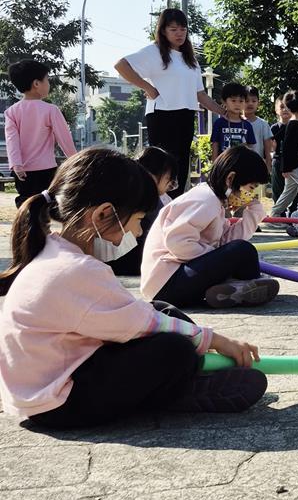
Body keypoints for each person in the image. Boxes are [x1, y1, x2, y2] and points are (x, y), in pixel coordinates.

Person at [0, 148, 265, 429]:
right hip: (59, 402)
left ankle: (177, 382)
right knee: (175, 349)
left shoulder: (54, 252)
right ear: (104, 214)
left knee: (161, 311)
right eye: (138, 220)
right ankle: (177, 389)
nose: (138, 233)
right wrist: (215, 340)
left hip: (47, 386)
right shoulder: (77, 270)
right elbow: (144, 324)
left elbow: (140, 317)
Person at [141, 145, 279, 309]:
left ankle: (236, 288)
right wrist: (215, 255)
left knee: (242, 251)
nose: (250, 195)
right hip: (166, 284)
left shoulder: (215, 202)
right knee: (243, 250)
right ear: (231, 179)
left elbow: (227, 242)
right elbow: (177, 241)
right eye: (250, 188)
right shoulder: (205, 200)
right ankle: (242, 286)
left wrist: (254, 209)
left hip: (175, 280)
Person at [114, 8, 224, 198]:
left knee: (180, 166)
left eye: (183, 29)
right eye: (173, 29)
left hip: (186, 115)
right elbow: (121, 65)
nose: (179, 33)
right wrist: (148, 87)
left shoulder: (191, 59)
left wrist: (223, 112)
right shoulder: (154, 51)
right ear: (163, 31)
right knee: (162, 165)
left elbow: (200, 94)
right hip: (162, 114)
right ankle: (153, 205)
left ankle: (174, 206)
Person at [4, 59, 77, 206]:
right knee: (48, 202)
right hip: (46, 169)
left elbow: (12, 141)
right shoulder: (51, 110)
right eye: (47, 80)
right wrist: (76, 161)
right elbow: (65, 139)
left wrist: (16, 164)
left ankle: (26, 219)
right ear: (36, 84)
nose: (49, 84)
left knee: (27, 202)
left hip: (22, 171)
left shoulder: (11, 112)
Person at [102, 146, 178, 277]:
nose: (170, 184)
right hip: (131, 259)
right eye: (168, 178)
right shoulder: (145, 195)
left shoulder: (131, 189)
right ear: (153, 174)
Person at [271, 90, 298, 217]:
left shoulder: (293, 124)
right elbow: (287, 148)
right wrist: (285, 168)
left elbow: (277, 138)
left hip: (294, 164)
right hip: (294, 166)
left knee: (290, 191)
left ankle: (275, 214)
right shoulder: (295, 125)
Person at [210, 81, 256, 162]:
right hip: (224, 164)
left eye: (241, 101)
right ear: (224, 101)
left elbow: (251, 147)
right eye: (233, 100)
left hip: (243, 164)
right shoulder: (219, 123)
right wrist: (214, 165)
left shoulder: (247, 125)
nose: (237, 104)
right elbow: (215, 145)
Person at [244, 87, 275, 175]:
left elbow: (268, 150)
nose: (250, 103)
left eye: (253, 101)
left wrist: (268, 167)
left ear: (258, 103)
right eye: (246, 101)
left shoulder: (263, 124)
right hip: (238, 165)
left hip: (257, 165)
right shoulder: (236, 122)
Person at [269, 96, 291, 204]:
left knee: (296, 188)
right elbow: (270, 146)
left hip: (293, 161)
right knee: (278, 188)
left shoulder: (297, 126)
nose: (285, 109)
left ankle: (295, 210)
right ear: (276, 110)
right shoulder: (273, 128)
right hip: (278, 159)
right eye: (282, 107)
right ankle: (278, 210)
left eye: (288, 107)